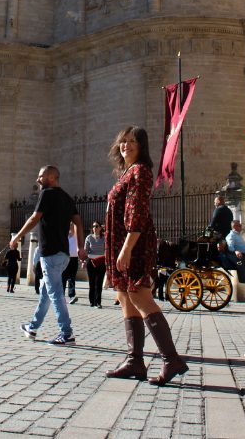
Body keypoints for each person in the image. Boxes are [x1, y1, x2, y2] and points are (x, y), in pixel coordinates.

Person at [105, 126, 187, 386]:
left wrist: (127, 248)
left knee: (140, 296)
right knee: (126, 299)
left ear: (142, 146)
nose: (126, 145)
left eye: (132, 141)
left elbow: (137, 213)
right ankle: (135, 361)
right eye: (123, 141)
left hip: (134, 244)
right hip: (122, 244)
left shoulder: (140, 171)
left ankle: (171, 359)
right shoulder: (126, 172)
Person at [11, 165, 86, 345]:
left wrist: (17, 238)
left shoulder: (47, 194)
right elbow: (78, 223)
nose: (37, 179)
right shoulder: (68, 198)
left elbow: (34, 218)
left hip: (50, 253)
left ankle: (66, 333)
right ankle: (33, 327)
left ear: (52, 177)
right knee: (46, 292)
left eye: (41, 176)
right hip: (64, 254)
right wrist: (81, 247)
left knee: (56, 293)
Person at [85, 221, 105, 307]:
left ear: (100, 228)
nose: (94, 228)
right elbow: (86, 250)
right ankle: (91, 302)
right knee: (91, 283)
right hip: (91, 261)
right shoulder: (89, 237)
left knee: (99, 283)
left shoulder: (104, 238)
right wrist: (83, 260)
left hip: (101, 261)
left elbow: (107, 249)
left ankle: (98, 302)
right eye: (93, 226)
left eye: (97, 226)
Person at [62, 224, 79, 304]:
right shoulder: (63, 236)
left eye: (71, 224)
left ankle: (72, 295)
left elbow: (77, 226)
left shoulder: (75, 236)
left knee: (72, 278)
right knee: (63, 278)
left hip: (74, 259)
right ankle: (61, 296)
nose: (69, 226)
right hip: (64, 258)